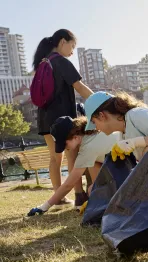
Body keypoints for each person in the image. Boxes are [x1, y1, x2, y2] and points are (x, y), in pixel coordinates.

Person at [32, 29, 94, 209]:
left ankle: (58, 197)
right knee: (71, 154)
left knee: (54, 158)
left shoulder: (42, 63)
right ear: (62, 41)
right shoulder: (61, 62)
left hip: (44, 117)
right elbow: (80, 87)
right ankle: (79, 195)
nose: (72, 51)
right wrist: (103, 101)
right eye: (72, 46)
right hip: (63, 116)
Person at [27, 116, 121, 216]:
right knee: (92, 187)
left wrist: (44, 207)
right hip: (124, 165)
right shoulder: (93, 134)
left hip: (131, 167)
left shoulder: (87, 149)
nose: (65, 149)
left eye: (64, 145)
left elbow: (68, 184)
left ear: (75, 137)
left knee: (92, 190)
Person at [84, 91, 148, 162]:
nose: (96, 128)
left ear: (101, 116)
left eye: (94, 122)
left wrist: (136, 142)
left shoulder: (135, 114)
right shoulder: (122, 135)